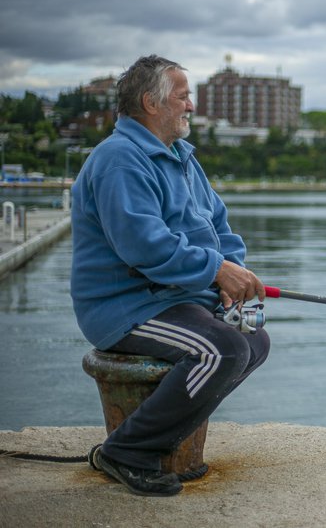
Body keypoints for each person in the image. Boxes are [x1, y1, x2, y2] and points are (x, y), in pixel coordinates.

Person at [70, 54, 270, 496]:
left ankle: (161, 439)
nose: (191, 106)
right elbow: (144, 245)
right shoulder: (119, 160)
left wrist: (232, 273)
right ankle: (127, 451)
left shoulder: (181, 157)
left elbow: (218, 226)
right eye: (183, 97)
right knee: (219, 351)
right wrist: (216, 270)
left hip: (176, 298)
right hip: (125, 306)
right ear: (151, 102)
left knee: (254, 340)